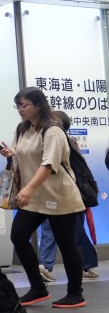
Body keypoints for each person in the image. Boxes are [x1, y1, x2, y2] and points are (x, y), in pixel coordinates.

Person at [0, 87, 86, 308]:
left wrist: (27, 190)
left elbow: (49, 164)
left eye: (24, 105)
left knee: (66, 244)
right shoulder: (23, 129)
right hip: (34, 198)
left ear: (39, 105)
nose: (20, 110)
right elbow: (25, 154)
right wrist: (12, 154)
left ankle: (76, 293)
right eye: (17, 105)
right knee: (18, 236)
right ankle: (38, 288)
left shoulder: (53, 130)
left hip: (59, 195)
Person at [36, 112, 98, 283]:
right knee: (61, 230)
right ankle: (47, 266)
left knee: (72, 231)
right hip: (54, 193)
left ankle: (51, 266)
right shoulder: (51, 140)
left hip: (68, 194)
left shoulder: (63, 141)